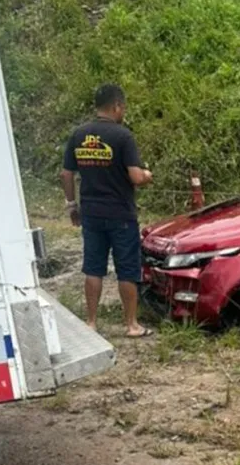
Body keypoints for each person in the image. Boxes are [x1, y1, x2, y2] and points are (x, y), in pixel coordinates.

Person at [61, 83, 154, 338]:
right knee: (127, 269)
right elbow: (135, 176)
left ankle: (91, 322)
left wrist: (72, 205)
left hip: (91, 213)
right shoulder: (122, 136)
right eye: (122, 107)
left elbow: (66, 173)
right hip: (121, 214)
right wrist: (147, 175)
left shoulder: (79, 134)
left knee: (93, 268)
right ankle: (132, 325)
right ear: (116, 106)